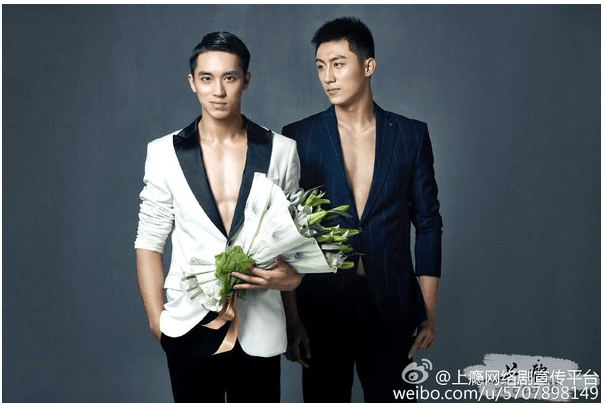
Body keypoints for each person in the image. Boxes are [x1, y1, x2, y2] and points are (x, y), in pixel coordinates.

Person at [134, 31, 303, 403]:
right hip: (188, 323)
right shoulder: (164, 153)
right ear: (192, 82)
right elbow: (148, 242)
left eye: (230, 77)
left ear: (246, 80)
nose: (219, 91)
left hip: (261, 327)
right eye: (207, 78)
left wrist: (293, 318)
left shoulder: (281, 151)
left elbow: (292, 246)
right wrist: (157, 321)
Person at [281, 17, 443, 402]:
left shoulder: (410, 135)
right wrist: (293, 320)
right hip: (322, 308)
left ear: (368, 66)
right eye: (321, 66)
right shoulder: (298, 136)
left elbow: (428, 225)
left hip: (392, 308)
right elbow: (287, 233)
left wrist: (428, 312)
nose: (328, 77)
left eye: (338, 64)